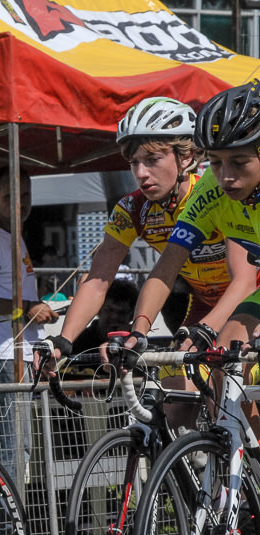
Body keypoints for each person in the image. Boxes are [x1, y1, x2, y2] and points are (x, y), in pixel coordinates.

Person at [39, 97, 252, 374]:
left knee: (230, 380)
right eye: (134, 162)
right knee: (175, 393)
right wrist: (63, 340)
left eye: (152, 160)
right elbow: (98, 282)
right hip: (203, 303)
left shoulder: (216, 194)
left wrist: (206, 330)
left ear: (185, 157)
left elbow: (244, 280)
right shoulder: (132, 210)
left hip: (247, 297)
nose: (141, 173)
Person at [125, 81, 260, 371]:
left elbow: (245, 280)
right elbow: (166, 268)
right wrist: (139, 330)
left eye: (239, 162)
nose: (226, 176)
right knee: (225, 367)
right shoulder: (211, 192)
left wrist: (207, 326)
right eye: (215, 162)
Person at [0, 166, 58, 516]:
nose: (20, 204)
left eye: (25, 196)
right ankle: (3, 529)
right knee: (10, 446)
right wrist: (25, 309)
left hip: (15, 352)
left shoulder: (13, 236)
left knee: (12, 445)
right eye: (10, 197)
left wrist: (37, 311)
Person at [70, 278, 139, 356]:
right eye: (108, 310)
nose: (114, 316)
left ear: (131, 315)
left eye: (122, 312)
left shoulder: (135, 341)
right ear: (98, 309)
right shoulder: (80, 340)